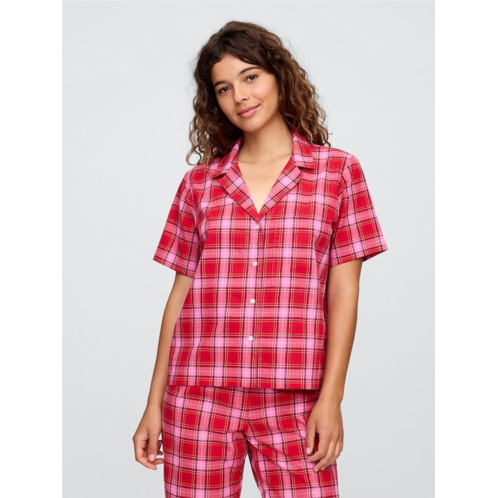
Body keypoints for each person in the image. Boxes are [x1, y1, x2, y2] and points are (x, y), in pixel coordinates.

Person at [132, 20, 388, 498]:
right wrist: (153, 404)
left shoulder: (337, 173)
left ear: (279, 77)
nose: (240, 96)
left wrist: (331, 397)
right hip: (199, 395)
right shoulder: (199, 185)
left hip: (295, 396)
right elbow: (179, 298)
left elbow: (344, 292)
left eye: (250, 77)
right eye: (224, 88)